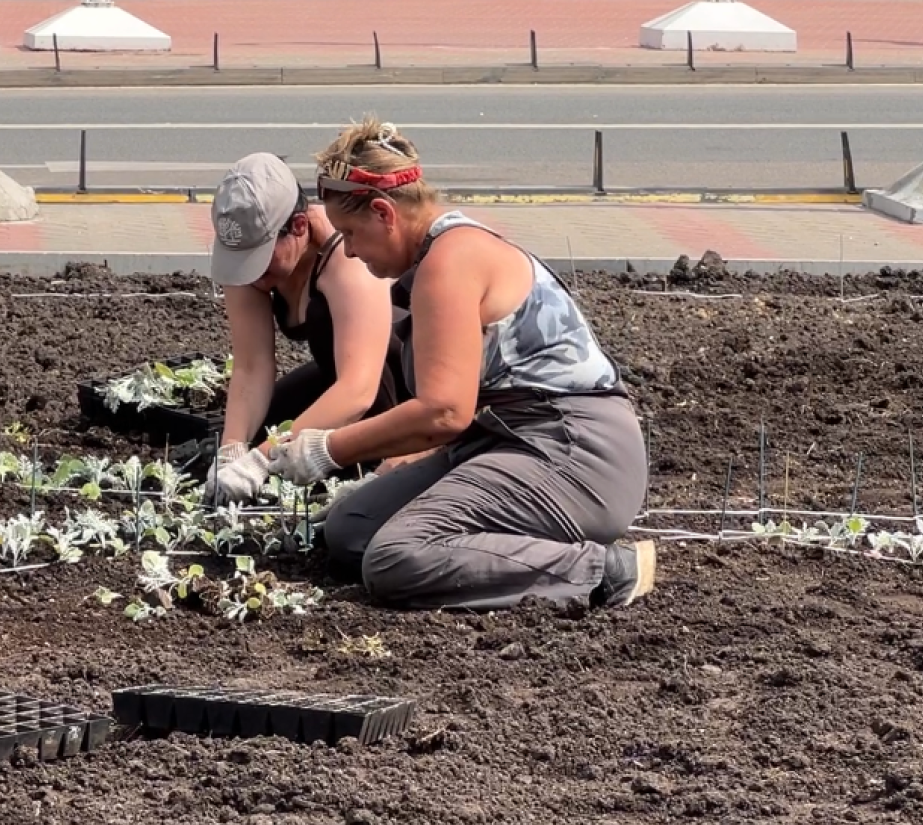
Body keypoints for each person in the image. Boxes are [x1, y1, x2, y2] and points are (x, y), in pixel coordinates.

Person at [266, 119, 656, 613]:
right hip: (510, 440)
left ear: (384, 212)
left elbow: (444, 412)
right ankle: (506, 548)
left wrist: (327, 450)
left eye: (351, 233)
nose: (350, 250)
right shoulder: (439, 252)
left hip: (577, 454)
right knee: (351, 530)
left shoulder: (448, 263)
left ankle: (603, 570)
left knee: (394, 558)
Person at [204, 152, 408, 506]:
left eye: (260, 259)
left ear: (299, 226)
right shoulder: (246, 256)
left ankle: (380, 455)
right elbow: (252, 365)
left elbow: (358, 389)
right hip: (334, 374)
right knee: (261, 427)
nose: (251, 274)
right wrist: (233, 450)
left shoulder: (347, 258)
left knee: (282, 455)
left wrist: (263, 458)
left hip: (397, 384)